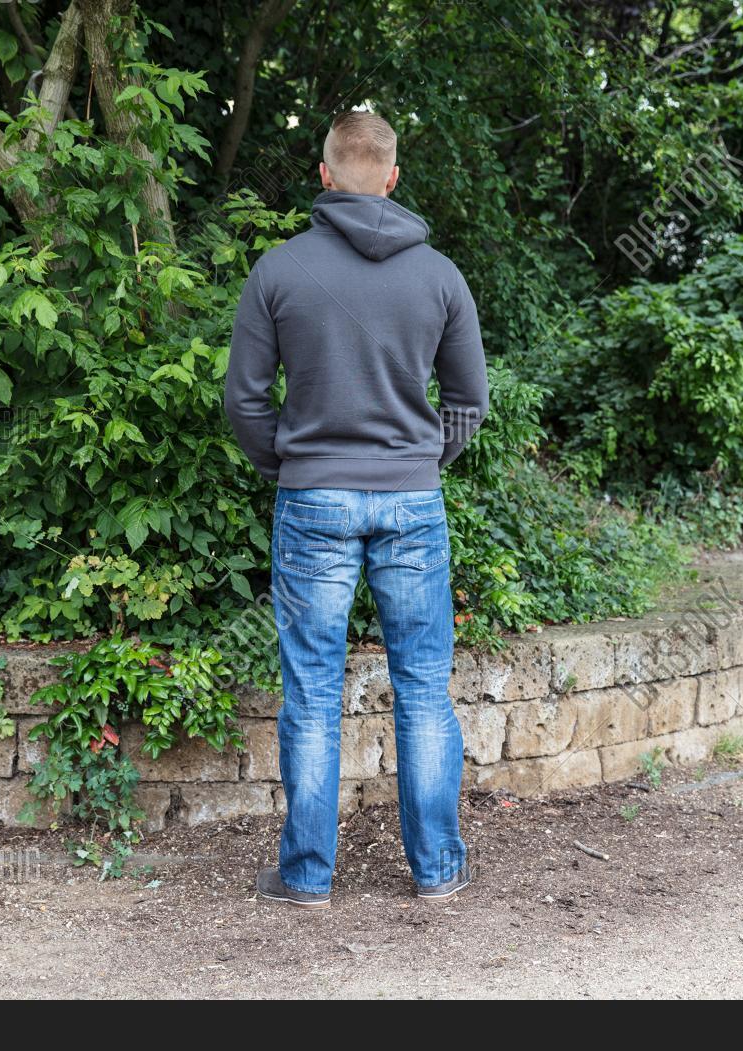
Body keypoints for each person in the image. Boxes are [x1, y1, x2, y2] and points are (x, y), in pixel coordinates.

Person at [223, 109, 489, 909]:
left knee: (310, 690)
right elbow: (470, 402)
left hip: (312, 501)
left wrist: (297, 464)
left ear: (327, 174)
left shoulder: (278, 269)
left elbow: (242, 402)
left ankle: (305, 878)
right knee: (423, 689)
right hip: (412, 500)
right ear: (394, 179)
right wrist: (416, 463)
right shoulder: (440, 275)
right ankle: (436, 870)